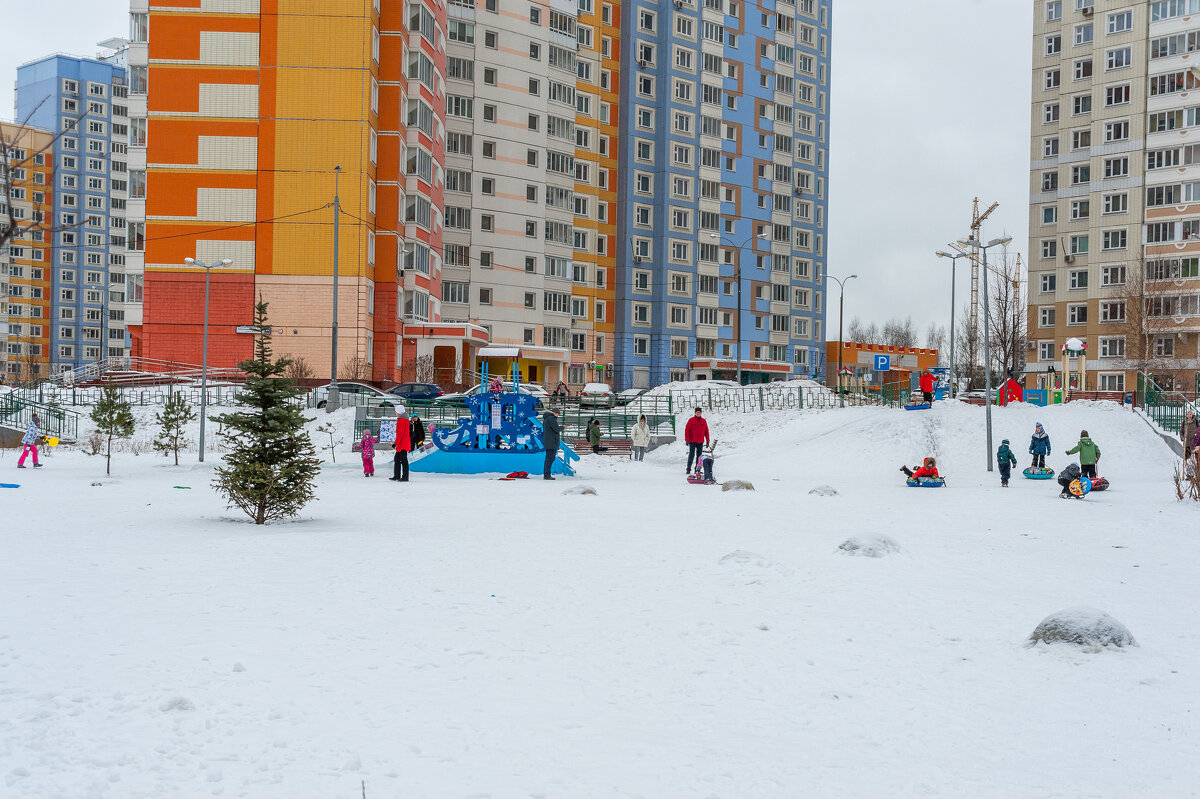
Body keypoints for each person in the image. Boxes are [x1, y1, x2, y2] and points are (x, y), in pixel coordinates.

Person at [684, 407, 710, 475]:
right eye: (697, 412)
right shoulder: (691, 420)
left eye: (699, 412)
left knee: (699, 457)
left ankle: (697, 469)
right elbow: (687, 430)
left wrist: (707, 440)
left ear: (701, 413)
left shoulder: (703, 421)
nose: (698, 413)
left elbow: (706, 431)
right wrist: (687, 440)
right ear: (695, 413)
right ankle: (688, 468)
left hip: (700, 442)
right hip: (692, 441)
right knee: (691, 455)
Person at [390, 406, 411, 482]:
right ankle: (397, 475)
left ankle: (404, 477)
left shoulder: (402, 421)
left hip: (402, 443)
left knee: (403, 460)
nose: (395, 412)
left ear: (398, 412)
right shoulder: (404, 420)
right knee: (398, 459)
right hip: (402, 443)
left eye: (396, 411)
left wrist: (395, 443)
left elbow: (400, 433)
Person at [541, 407, 561, 480]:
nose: (557, 416)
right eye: (557, 414)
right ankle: (547, 475)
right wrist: (563, 427)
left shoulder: (546, 419)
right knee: (550, 459)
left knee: (548, 459)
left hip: (548, 442)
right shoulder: (551, 419)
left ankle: (546, 474)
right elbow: (556, 429)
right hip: (552, 442)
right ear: (554, 413)